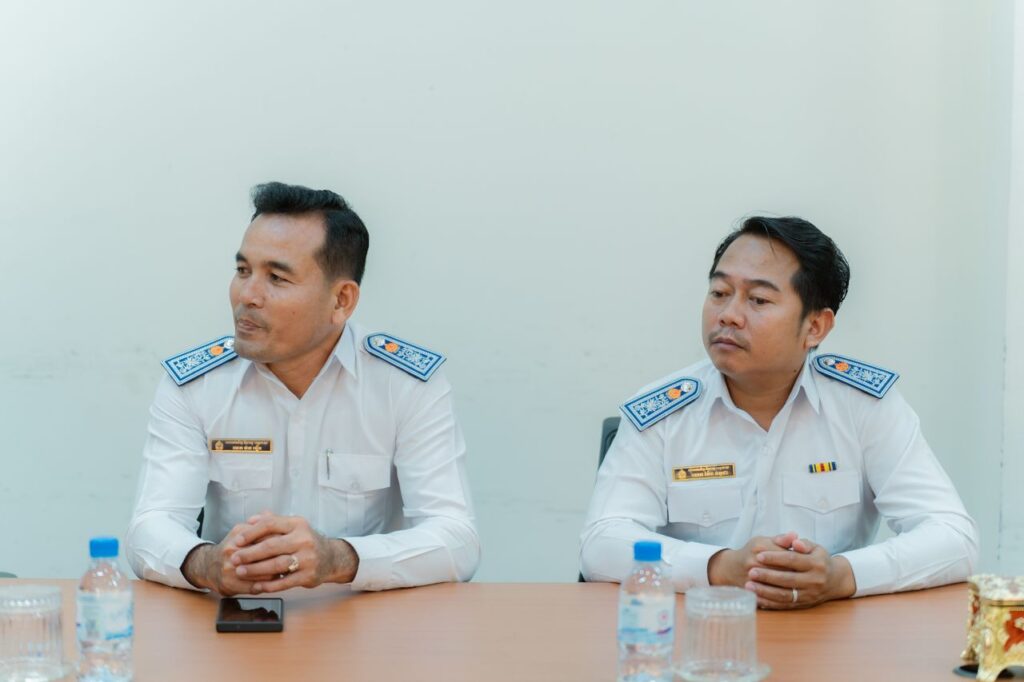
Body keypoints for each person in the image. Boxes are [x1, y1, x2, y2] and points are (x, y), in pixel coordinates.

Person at [579, 216, 978, 609]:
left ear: (815, 327)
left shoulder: (864, 407)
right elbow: (601, 542)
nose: (728, 314)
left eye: (758, 300)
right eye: (719, 292)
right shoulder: (663, 413)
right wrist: (718, 567)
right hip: (696, 632)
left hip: (829, 635)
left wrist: (842, 575)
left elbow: (953, 536)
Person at [126, 182, 479, 595]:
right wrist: (207, 564)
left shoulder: (405, 385)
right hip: (237, 617)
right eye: (243, 271)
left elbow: (457, 539)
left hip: (364, 620)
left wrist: (339, 558)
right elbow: (151, 525)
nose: (247, 295)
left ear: (341, 301)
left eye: (276, 277)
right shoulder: (195, 385)